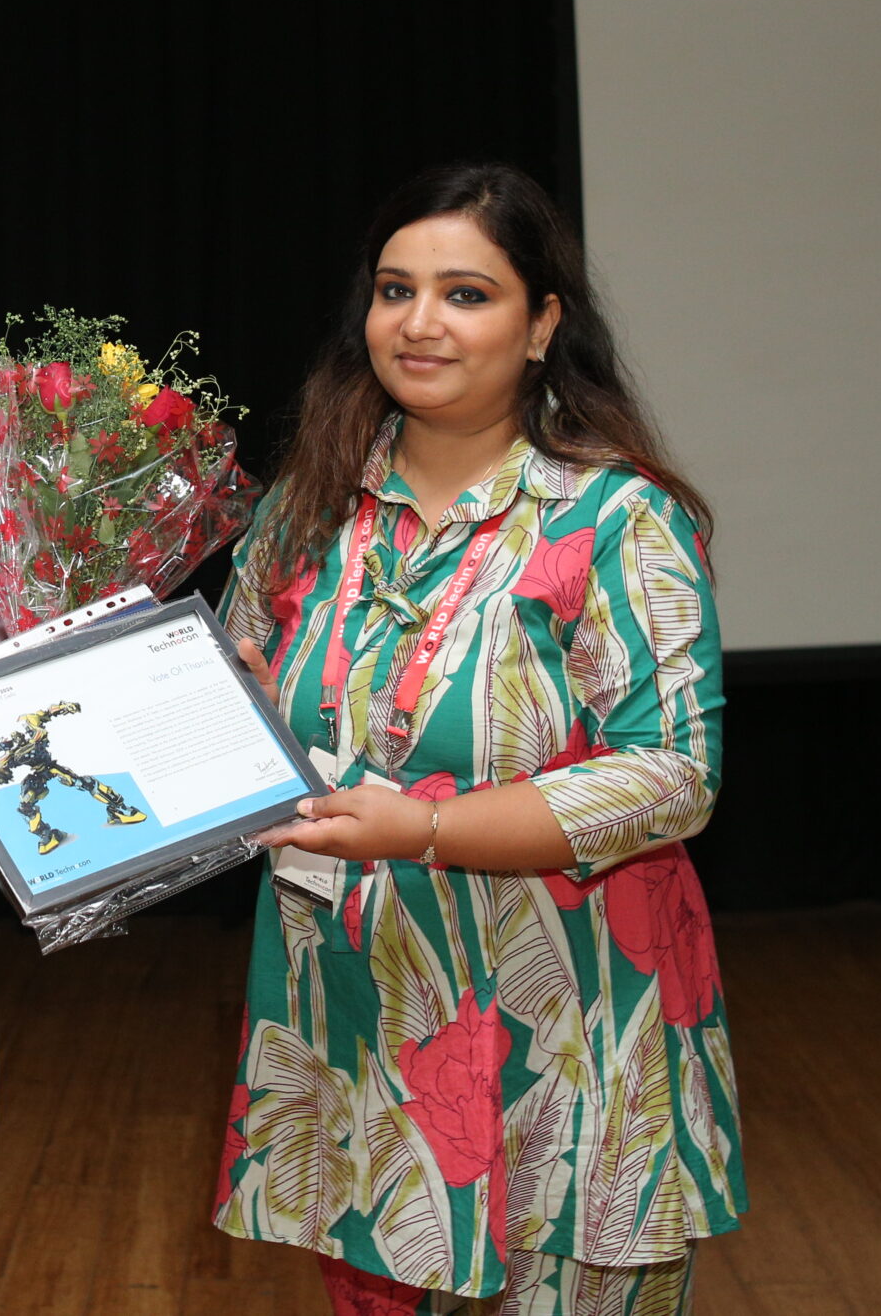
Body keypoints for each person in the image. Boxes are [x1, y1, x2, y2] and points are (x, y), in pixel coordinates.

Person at [211, 162, 744, 1314]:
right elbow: (231, 704)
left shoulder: (615, 518)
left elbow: (674, 775)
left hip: (569, 1035)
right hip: (361, 1016)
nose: (419, 322)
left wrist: (426, 827)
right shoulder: (305, 510)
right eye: (394, 290)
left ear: (541, 324)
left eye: (465, 294)